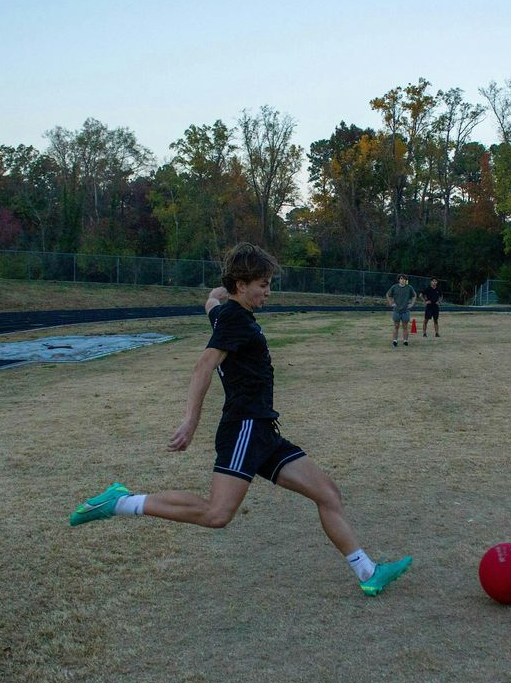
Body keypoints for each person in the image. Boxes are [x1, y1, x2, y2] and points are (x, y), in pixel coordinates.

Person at [70, 243, 412, 598]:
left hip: (263, 430)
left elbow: (211, 301)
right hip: (244, 429)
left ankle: (367, 572)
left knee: (327, 493)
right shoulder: (234, 319)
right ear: (242, 284)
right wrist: (190, 421)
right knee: (217, 514)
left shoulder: (227, 314)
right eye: (262, 284)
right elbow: (204, 365)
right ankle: (119, 502)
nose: (268, 291)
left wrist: (223, 288)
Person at [385, 274, 416, 347]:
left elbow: (414, 295)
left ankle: (405, 341)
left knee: (405, 326)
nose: (403, 280)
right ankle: (395, 341)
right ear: (399, 280)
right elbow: (388, 295)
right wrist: (391, 303)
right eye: (401, 279)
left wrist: (412, 304)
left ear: (406, 280)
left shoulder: (409, 287)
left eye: (404, 279)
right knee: (396, 326)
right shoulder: (394, 287)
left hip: (405, 310)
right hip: (396, 310)